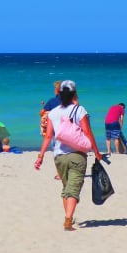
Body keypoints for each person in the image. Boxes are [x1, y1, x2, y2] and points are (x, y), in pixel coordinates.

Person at [34, 80, 104, 231]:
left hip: (59, 156)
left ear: (59, 93)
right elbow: (87, 132)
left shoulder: (53, 112)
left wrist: (40, 156)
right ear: (74, 93)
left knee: (67, 188)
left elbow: (48, 137)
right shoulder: (79, 110)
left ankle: (69, 218)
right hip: (77, 154)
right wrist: (96, 152)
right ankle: (67, 220)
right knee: (73, 189)